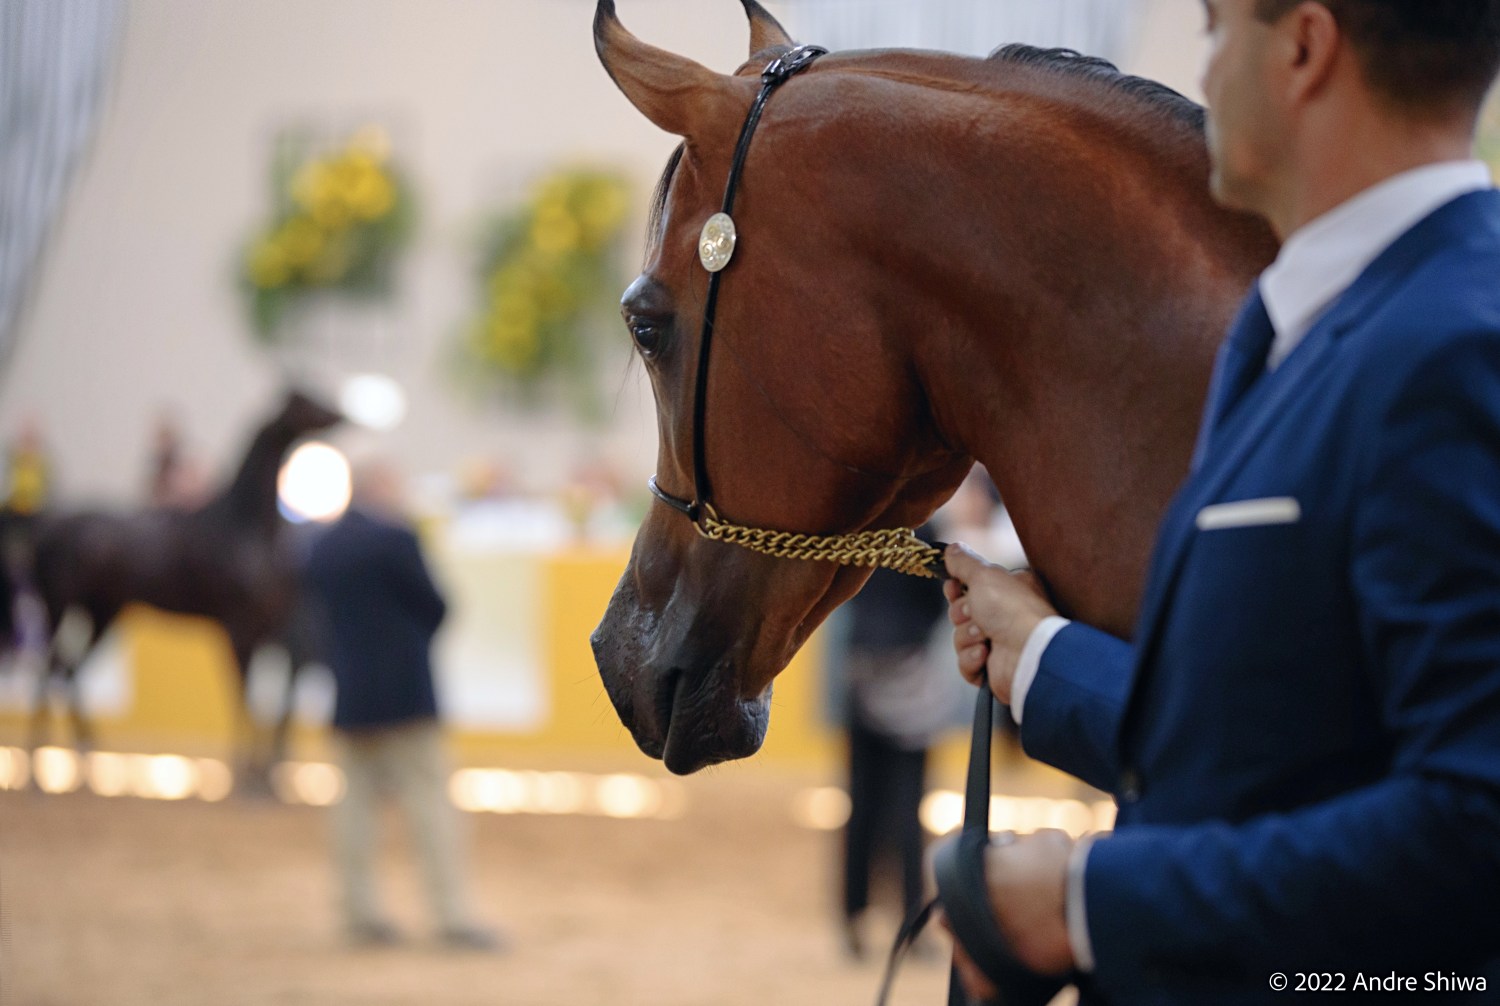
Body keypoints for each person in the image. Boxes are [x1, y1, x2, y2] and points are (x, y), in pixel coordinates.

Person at [941, 1, 1500, 1001]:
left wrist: (1088, 899)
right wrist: (1041, 657)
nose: (1200, 72)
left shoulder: (1457, 345)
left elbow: (1474, 819)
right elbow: (1291, 748)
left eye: (1213, 28)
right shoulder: (1296, 329)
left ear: (1303, 46)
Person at [304, 456, 500, 951]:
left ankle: (359, 913)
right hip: (407, 695)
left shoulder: (321, 547)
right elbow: (436, 607)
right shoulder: (396, 540)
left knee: (354, 809)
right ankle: (451, 915)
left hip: (349, 695)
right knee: (430, 805)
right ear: (383, 486)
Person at [826, 523, 953, 961]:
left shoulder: (861, 521)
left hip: (862, 670)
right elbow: (938, 599)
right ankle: (909, 925)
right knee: (906, 810)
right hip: (906, 679)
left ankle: (853, 919)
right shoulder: (924, 527)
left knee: (861, 806)